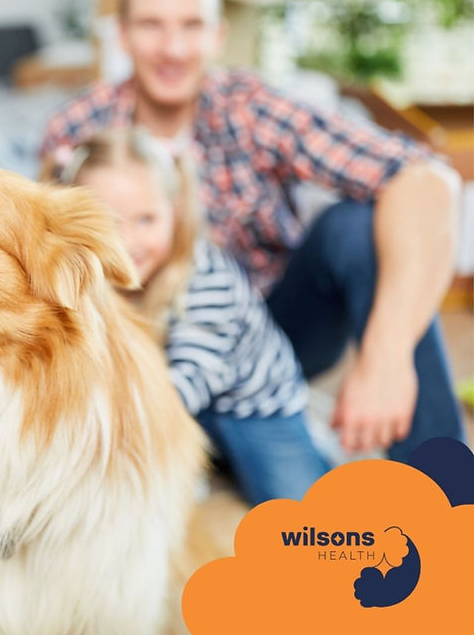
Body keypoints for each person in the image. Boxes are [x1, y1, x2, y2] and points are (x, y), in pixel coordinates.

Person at [41, 0, 464, 463]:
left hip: (271, 336)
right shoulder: (76, 134)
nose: (173, 48)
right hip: (139, 353)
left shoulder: (251, 109)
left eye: (192, 25)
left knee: (354, 227)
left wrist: (386, 358)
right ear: (123, 34)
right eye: (151, 25)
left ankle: (445, 489)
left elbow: (427, 179)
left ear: (218, 35)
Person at [59, 128, 330, 503]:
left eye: (146, 220)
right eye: (108, 224)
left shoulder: (208, 280)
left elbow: (185, 387)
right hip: (166, 395)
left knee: (303, 509)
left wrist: (103, 429)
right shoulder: (79, 272)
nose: (127, 243)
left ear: (175, 213)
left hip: (249, 405)